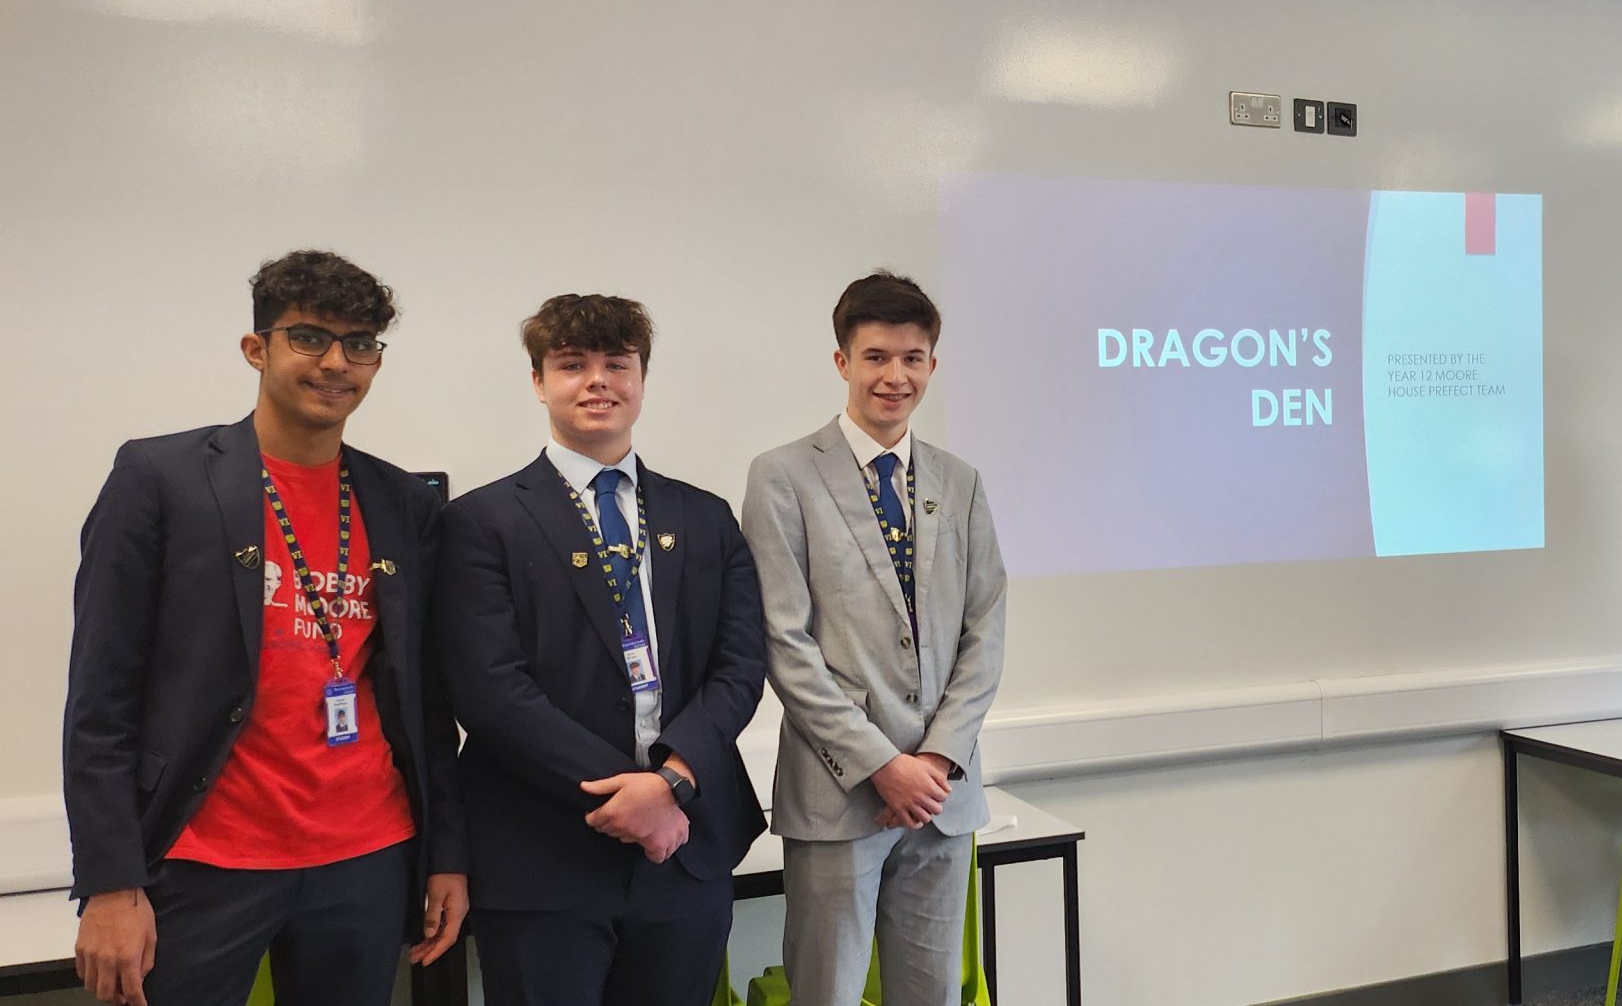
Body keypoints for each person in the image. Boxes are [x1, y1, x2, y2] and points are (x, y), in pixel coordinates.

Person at [64, 249, 467, 1005]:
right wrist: (109, 881)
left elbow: (426, 697)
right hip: (204, 858)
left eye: (359, 344)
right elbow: (100, 697)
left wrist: (446, 854)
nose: (336, 363)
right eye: (309, 337)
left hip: (367, 854)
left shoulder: (402, 502)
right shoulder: (160, 479)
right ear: (258, 348)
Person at [433, 294, 768, 1006]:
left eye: (617, 364)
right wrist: (632, 795)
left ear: (641, 378)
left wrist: (670, 784)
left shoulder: (704, 517)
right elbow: (491, 692)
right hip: (543, 855)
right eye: (572, 365)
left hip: (684, 849)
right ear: (538, 381)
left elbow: (739, 668)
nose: (597, 381)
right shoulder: (480, 522)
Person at [744, 271, 1006, 1006]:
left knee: (932, 994)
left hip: (943, 795)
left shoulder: (960, 482)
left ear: (932, 364)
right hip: (839, 796)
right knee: (826, 994)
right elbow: (783, 641)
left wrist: (936, 758)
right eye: (876, 357)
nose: (896, 376)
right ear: (842, 362)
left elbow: (986, 627)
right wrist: (882, 765)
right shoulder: (782, 476)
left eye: (912, 358)